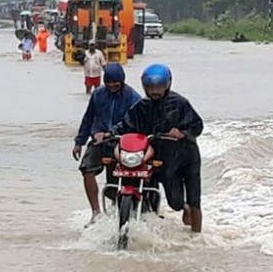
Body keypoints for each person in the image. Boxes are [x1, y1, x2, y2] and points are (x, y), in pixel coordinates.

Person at [109, 64, 204, 233]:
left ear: (167, 85)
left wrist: (182, 133)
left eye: (158, 86)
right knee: (149, 192)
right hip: (157, 157)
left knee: (185, 201)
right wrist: (111, 134)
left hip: (185, 158)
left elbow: (197, 125)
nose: (155, 91)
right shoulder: (141, 106)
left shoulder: (180, 103)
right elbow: (125, 125)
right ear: (144, 86)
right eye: (150, 87)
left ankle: (197, 239)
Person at [72, 63, 141, 227]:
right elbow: (88, 118)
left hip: (122, 143)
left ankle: (125, 209)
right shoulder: (98, 94)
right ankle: (95, 212)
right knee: (86, 169)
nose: (111, 86)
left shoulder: (133, 98)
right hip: (98, 140)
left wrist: (111, 133)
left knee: (115, 181)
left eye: (115, 83)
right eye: (108, 82)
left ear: (122, 81)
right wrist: (79, 142)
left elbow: (132, 123)